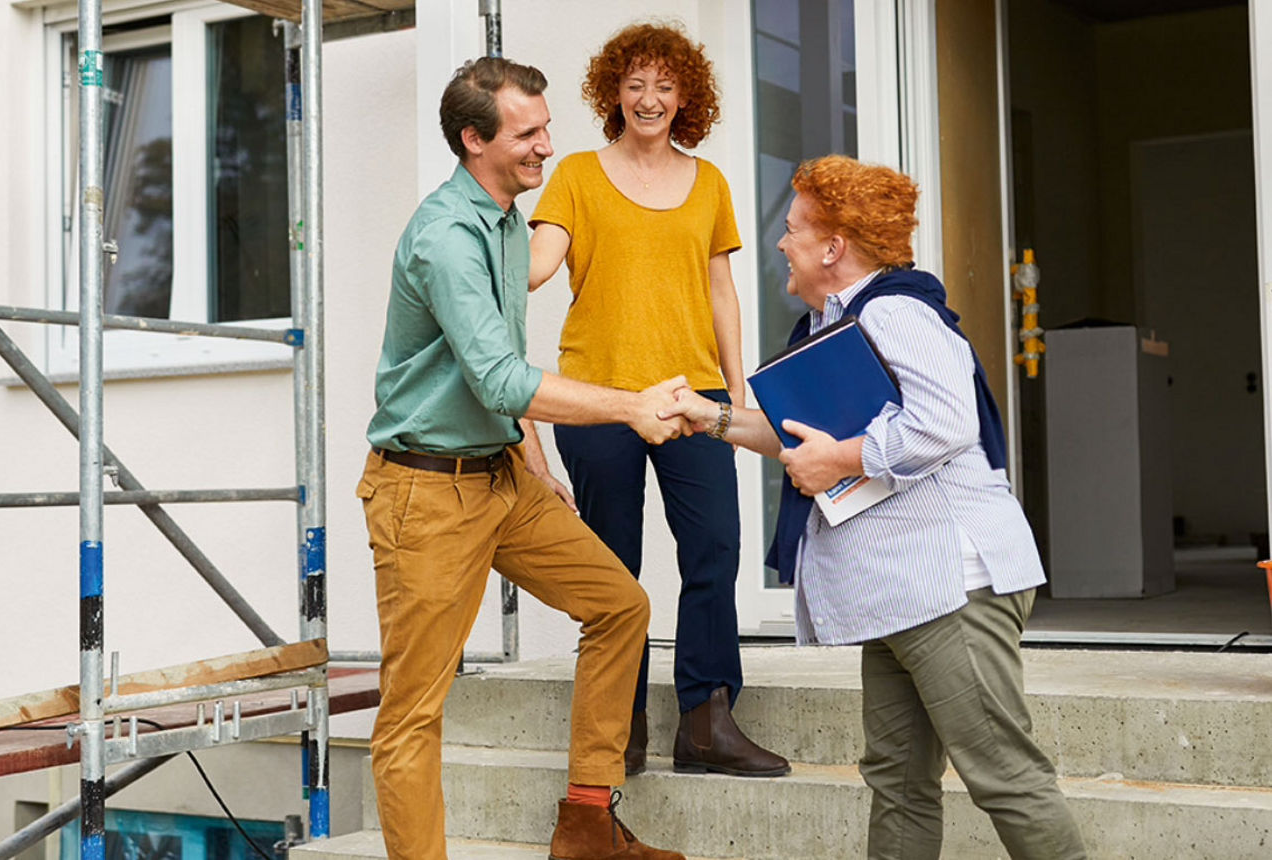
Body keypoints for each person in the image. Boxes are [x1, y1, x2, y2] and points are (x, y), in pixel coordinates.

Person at [661, 155, 1088, 859]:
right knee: (898, 778)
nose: (781, 243)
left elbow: (946, 421)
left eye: (793, 229)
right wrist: (710, 418)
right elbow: (803, 436)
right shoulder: (833, 324)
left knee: (1004, 776)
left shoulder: (895, 312)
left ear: (833, 247)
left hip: (952, 584)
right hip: (901, 592)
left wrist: (840, 459)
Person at [356, 57, 688, 860]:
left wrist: (533, 460)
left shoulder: (507, 222)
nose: (546, 145)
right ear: (475, 140)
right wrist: (630, 406)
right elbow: (501, 377)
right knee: (413, 715)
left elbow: (498, 364)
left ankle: (586, 826)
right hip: (427, 495)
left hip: (502, 476)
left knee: (620, 606)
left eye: (545, 128)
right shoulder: (447, 237)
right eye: (527, 133)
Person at [528, 22, 787, 779]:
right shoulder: (576, 174)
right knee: (615, 566)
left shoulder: (710, 183)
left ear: (685, 97)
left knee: (714, 549)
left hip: (694, 396)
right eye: (635, 83)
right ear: (613, 92)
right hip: (598, 394)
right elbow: (537, 264)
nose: (649, 98)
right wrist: (482, 247)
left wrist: (736, 392)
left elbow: (720, 289)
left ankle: (707, 722)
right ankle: (622, 725)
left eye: (665, 86)